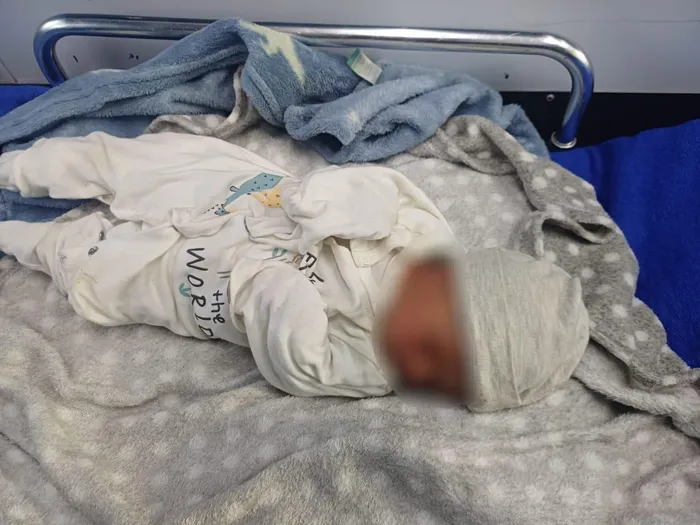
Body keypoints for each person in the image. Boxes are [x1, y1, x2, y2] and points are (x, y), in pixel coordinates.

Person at [0, 132, 589, 411]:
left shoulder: (377, 367)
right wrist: (331, 201)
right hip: (239, 195)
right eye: (440, 342)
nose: (419, 360)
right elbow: (384, 190)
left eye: (440, 376)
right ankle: (17, 168)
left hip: (198, 280)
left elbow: (300, 368)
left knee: (93, 272)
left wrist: (280, 295)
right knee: (128, 161)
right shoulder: (426, 238)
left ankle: (22, 238)